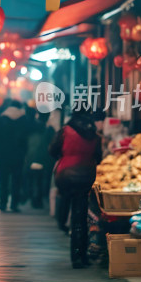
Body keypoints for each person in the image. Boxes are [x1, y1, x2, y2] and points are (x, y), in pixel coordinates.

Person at [49, 105, 103, 268]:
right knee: (80, 217)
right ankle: (80, 256)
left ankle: (62, 219)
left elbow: (52, 150)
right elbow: (98, 157)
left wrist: (64, 156)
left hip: (65, 176)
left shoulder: (65, 131)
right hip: (86, 176)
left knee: (66, 201)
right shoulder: (94, 134)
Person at [0, 100, 28, 212]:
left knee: (3, 180)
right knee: (16, 180)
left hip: (2, 156)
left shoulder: (0, 120)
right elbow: (25, 140)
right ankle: (14, 204)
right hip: (18, 156)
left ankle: (2, 203)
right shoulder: (23, 120)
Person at [23, 112, 56, 209]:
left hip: (31, 157)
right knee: (42, 179)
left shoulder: (31, 127)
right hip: (44, 158)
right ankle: (39, 199)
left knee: (35, 179)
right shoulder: (49, 130)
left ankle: (34, 198)